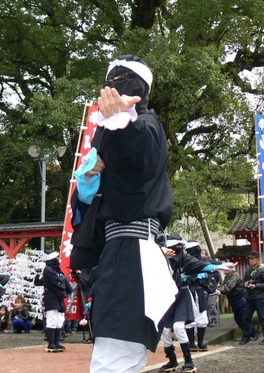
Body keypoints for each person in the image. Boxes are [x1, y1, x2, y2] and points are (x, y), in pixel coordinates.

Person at [71, 55, 177, 372]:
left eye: (122, 79)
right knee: (115, 354)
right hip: (116, 252)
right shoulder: (108, 131)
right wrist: (88, 180)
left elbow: (140, 154)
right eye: (110, 79)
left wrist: (122, 123)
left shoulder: (145, 127)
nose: (113, 86)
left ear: (140, 89)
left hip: (134, 251)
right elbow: (92, 202)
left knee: (115, 357)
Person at [158, 237, 233, 373]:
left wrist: (217, 266)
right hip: (166, 296)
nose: (177, 252)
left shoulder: (184, 258)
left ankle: (189, 361)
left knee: (179, 327)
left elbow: (200, 264)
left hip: (182, 295)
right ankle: (172, 359)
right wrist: (161, 252)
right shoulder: (158, 256)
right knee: (163, 329)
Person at [34, 251, 72, 352]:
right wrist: (62, 282)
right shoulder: (48, 270)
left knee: (59, 319)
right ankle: (51, 343)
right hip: (51, 297)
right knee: (52, 319)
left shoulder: (56, 270)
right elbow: (56, 282)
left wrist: (68, 289)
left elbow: (63, 281)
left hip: (58, 297)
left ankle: (56, 342)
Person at [239, 251, 264, 345]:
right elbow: (243, 282)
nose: (250, 261)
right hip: (249, 297)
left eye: (252, 259)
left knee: (263, 318)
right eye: (249, 259)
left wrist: (256, 286)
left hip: (259, 297)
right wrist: (245, 284)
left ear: (258, 260)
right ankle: (246, 336)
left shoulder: (263, 270)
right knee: (245, 318)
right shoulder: (248, 270)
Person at [216, 268, 257, 342]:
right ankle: (253, 332)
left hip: (240, 299)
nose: (224, 271)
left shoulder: (235, 276)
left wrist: (220, 290)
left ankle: (247, 335)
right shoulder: (227, 277)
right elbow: (225, 286)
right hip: (234, 300)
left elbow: (229, 287)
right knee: (238, 318)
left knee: (243, 318)